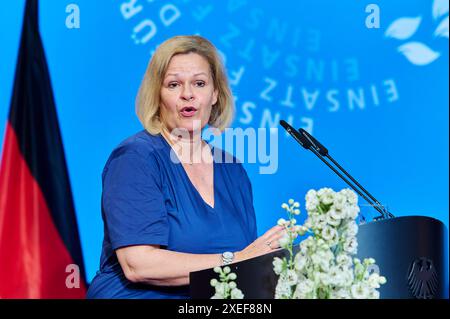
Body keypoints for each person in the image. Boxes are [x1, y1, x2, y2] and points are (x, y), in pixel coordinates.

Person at [86, 35, 285, 299]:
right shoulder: (136, 158)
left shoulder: (232, 170)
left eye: (199, 83)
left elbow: (244, 273)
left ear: (215, 94)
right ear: (157, 95)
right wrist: (235, 259)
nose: (187, 94)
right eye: (173, 84)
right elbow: (138, 264)